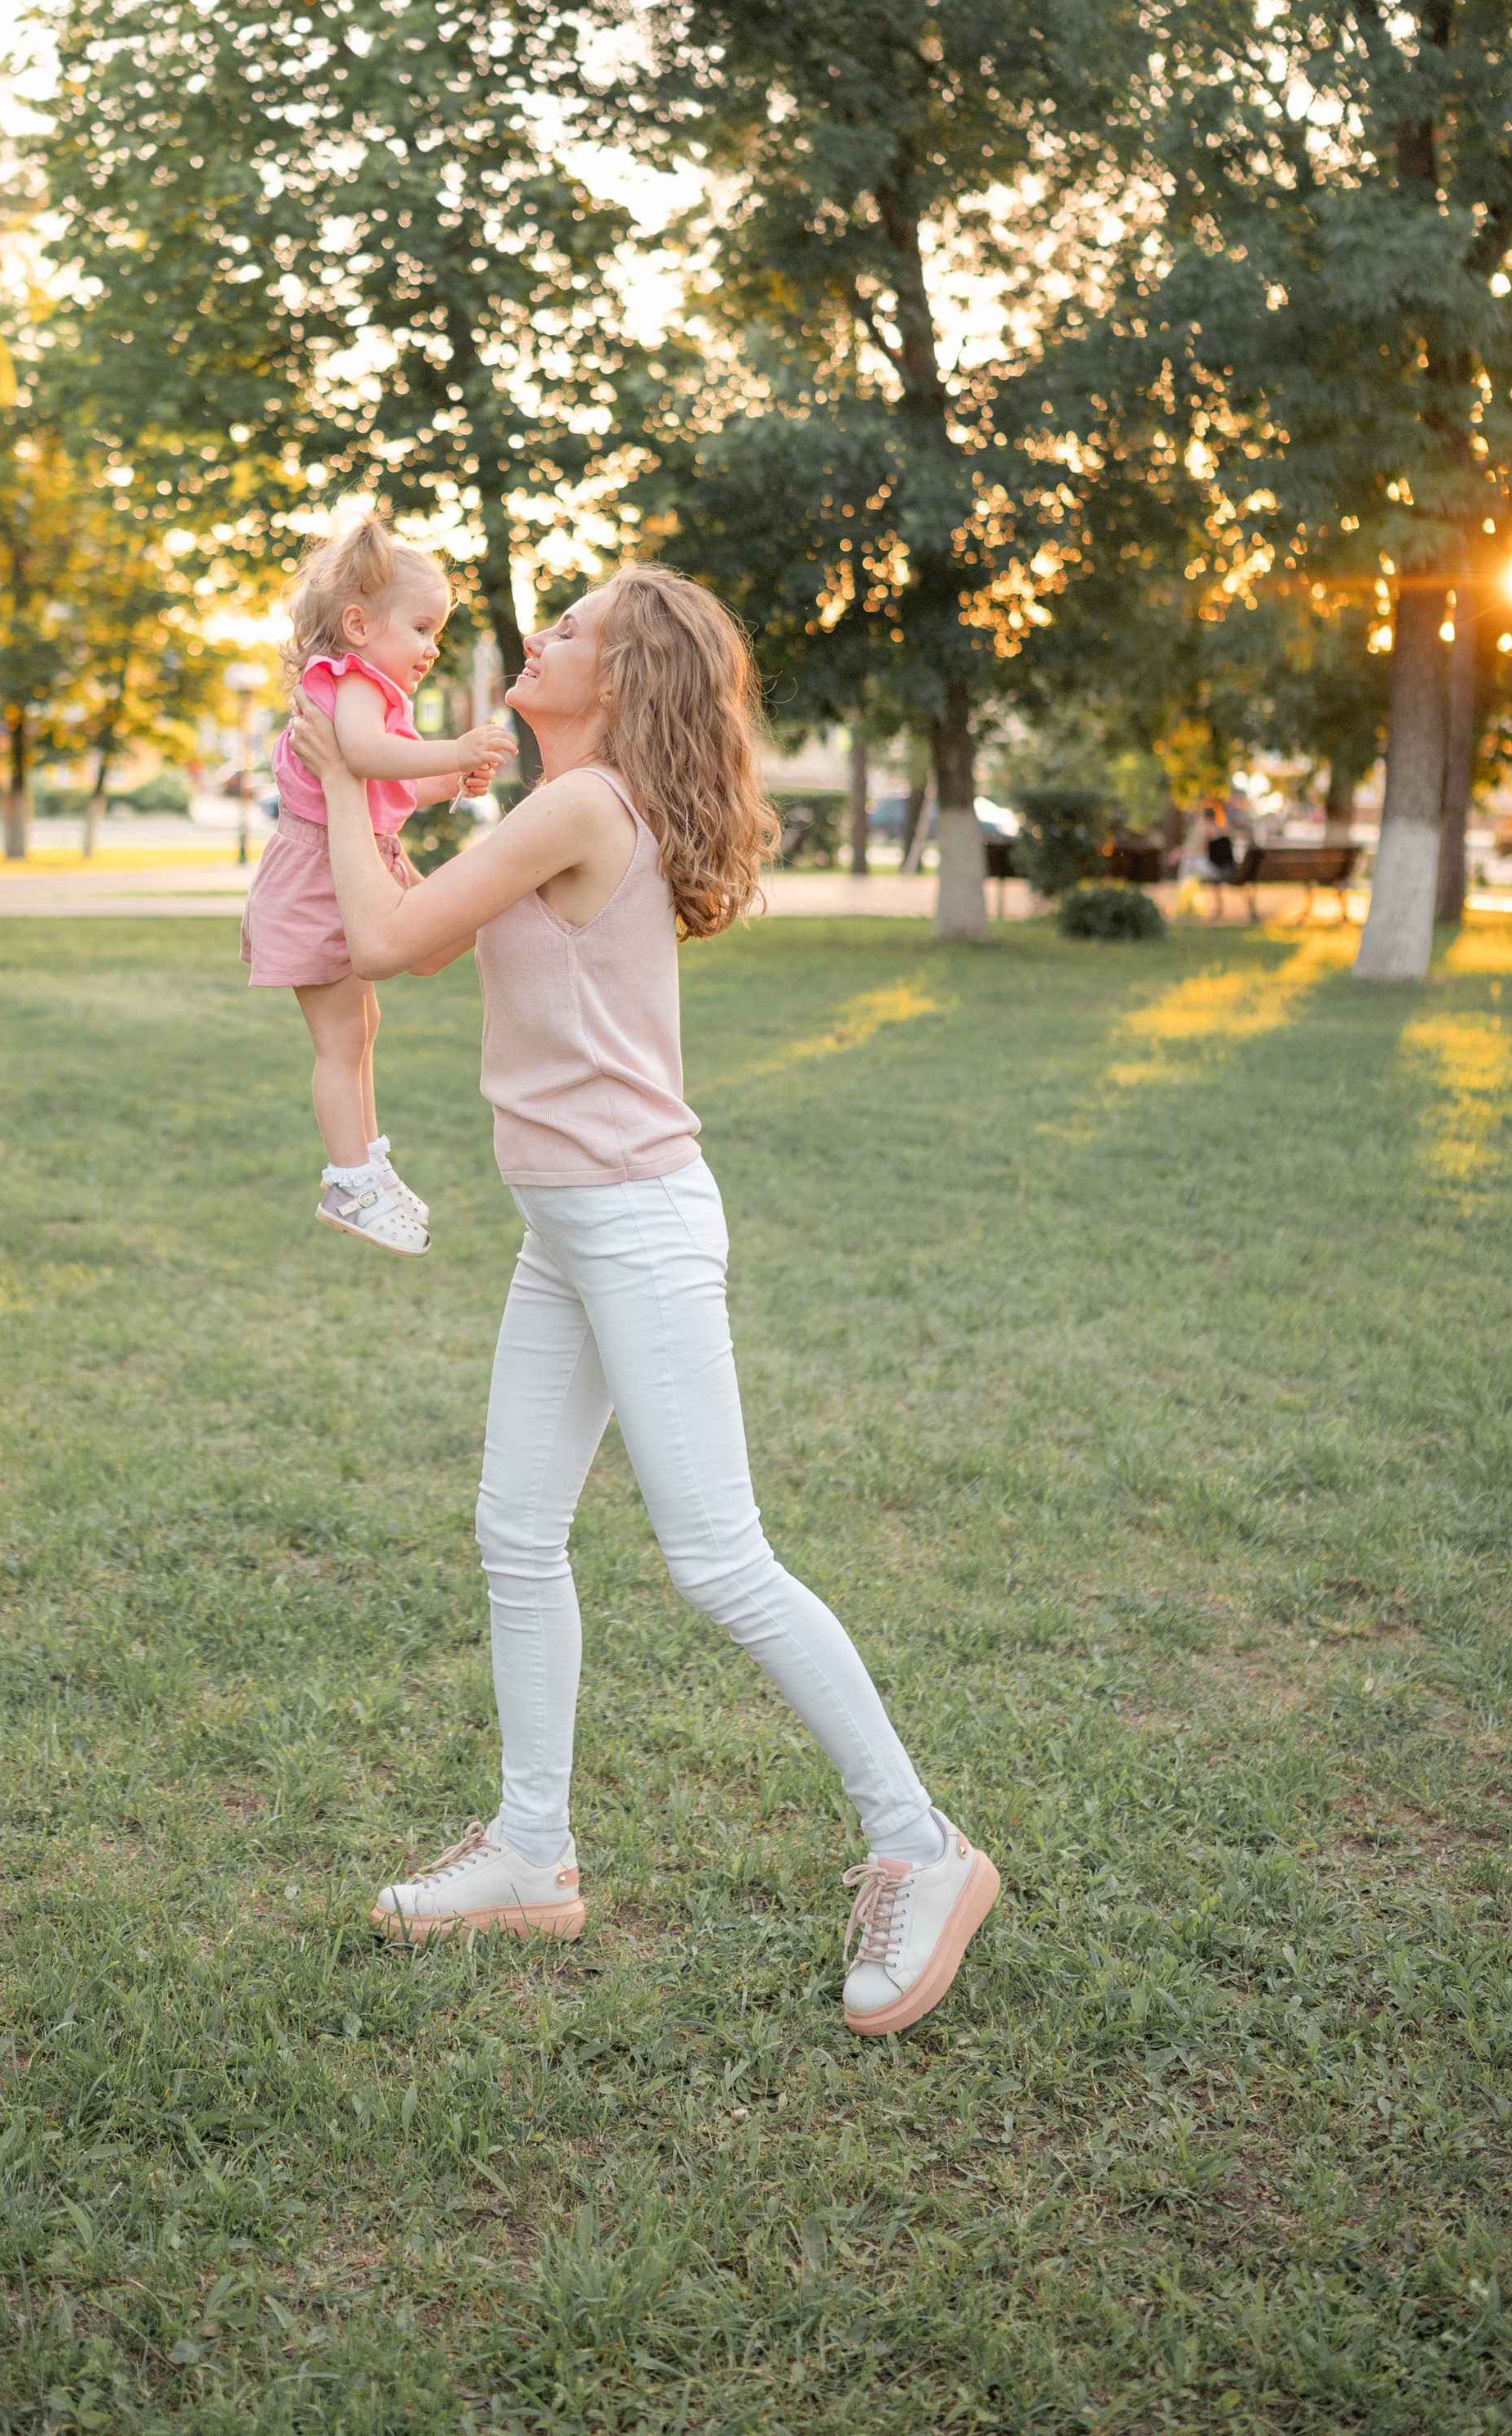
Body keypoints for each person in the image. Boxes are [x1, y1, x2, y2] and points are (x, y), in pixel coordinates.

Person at [287, 565, 1000, 2038]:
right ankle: (531, 1850)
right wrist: (350, 774)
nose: (528, 641)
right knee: (514, 1527)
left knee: (720, 1559)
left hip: (633, 1222)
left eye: (563, 633)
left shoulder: (582, 804)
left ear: (612, 684)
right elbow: (404, 917)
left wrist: (336, 770)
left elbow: (383, 941)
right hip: (570, 1220)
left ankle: (923, 1848)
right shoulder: (567, 807)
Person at [241, 517, 515, 1257]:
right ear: (359, 625)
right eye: (423, 627)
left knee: (362, 1032)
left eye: (440, 631)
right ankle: (350, 1180)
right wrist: (455, 746)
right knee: (338, 1042)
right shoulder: (351, 682)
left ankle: (367, 1159)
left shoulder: (367, 689)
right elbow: (362, 755)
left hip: (346, 860)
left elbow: (379, 785)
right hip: (318, 876)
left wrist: (452, 776)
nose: (433, 647)